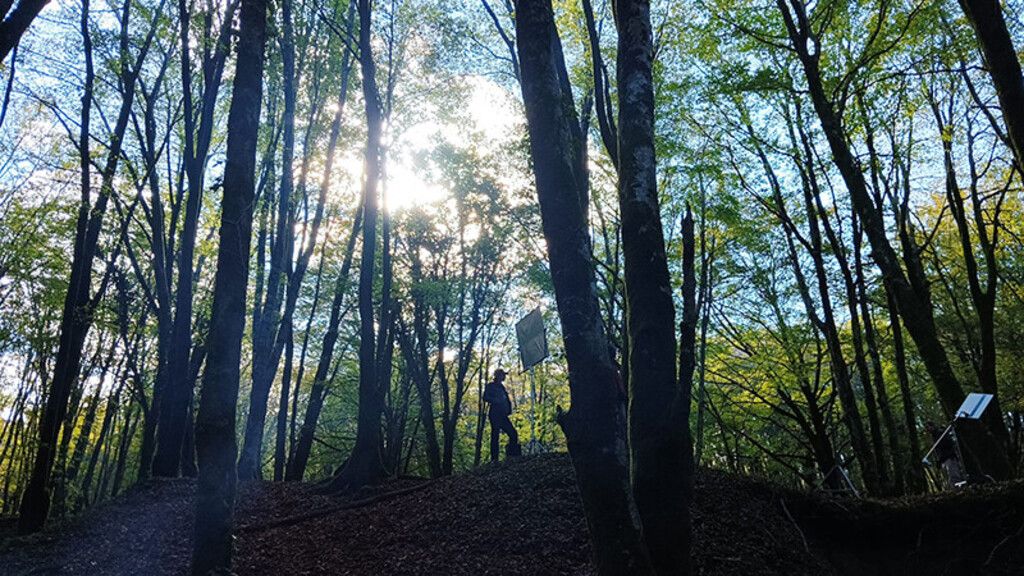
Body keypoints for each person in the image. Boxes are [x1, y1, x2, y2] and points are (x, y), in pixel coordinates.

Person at [484, 369, 521, 461]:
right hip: (495, 413)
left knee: (513, 433)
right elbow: (485, 397)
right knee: (495, 435)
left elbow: (506, 400)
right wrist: (496, 400)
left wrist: (509, 409)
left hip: (503, 415)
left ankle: (511, 456)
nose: (504, 377)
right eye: (503, 375)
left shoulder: (502, 387)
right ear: (498, 376)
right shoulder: (491, 386)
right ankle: (494, 459)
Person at [927, 421, 966, 488]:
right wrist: (939, 460)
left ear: (932, 426)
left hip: (949, 457)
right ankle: (955, 489)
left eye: (928, 427)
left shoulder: (941, 433)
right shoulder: (934, 436)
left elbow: (949, 443)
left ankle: (960, 489)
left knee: (954, 476)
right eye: (927, 428)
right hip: (943, 460)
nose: (928, 429)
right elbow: (938, 450)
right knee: (950, 478)